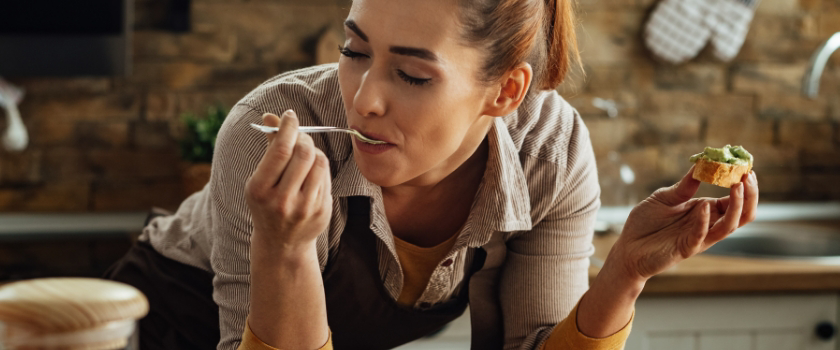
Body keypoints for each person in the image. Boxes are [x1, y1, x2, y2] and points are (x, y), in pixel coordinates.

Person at [108, 0, 759, 348]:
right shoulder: (274, 129)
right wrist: (285, 252)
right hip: (173, 321)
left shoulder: (548, 153)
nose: (365, 98)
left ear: (505, 91)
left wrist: (624, 274)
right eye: (354, 50)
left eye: (412, 75)